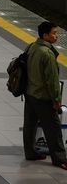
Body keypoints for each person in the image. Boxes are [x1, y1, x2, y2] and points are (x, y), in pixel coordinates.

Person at [23, 21, 67, 169]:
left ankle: (30, 152)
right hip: (43, 97)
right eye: (54, 33)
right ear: (45, 35)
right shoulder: (47, 54)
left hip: (30, 93)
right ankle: (60, 159)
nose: (56, 36)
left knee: (30, 125)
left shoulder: (32, 47)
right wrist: (56, 100)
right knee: (53, 128)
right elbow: (52, 81)